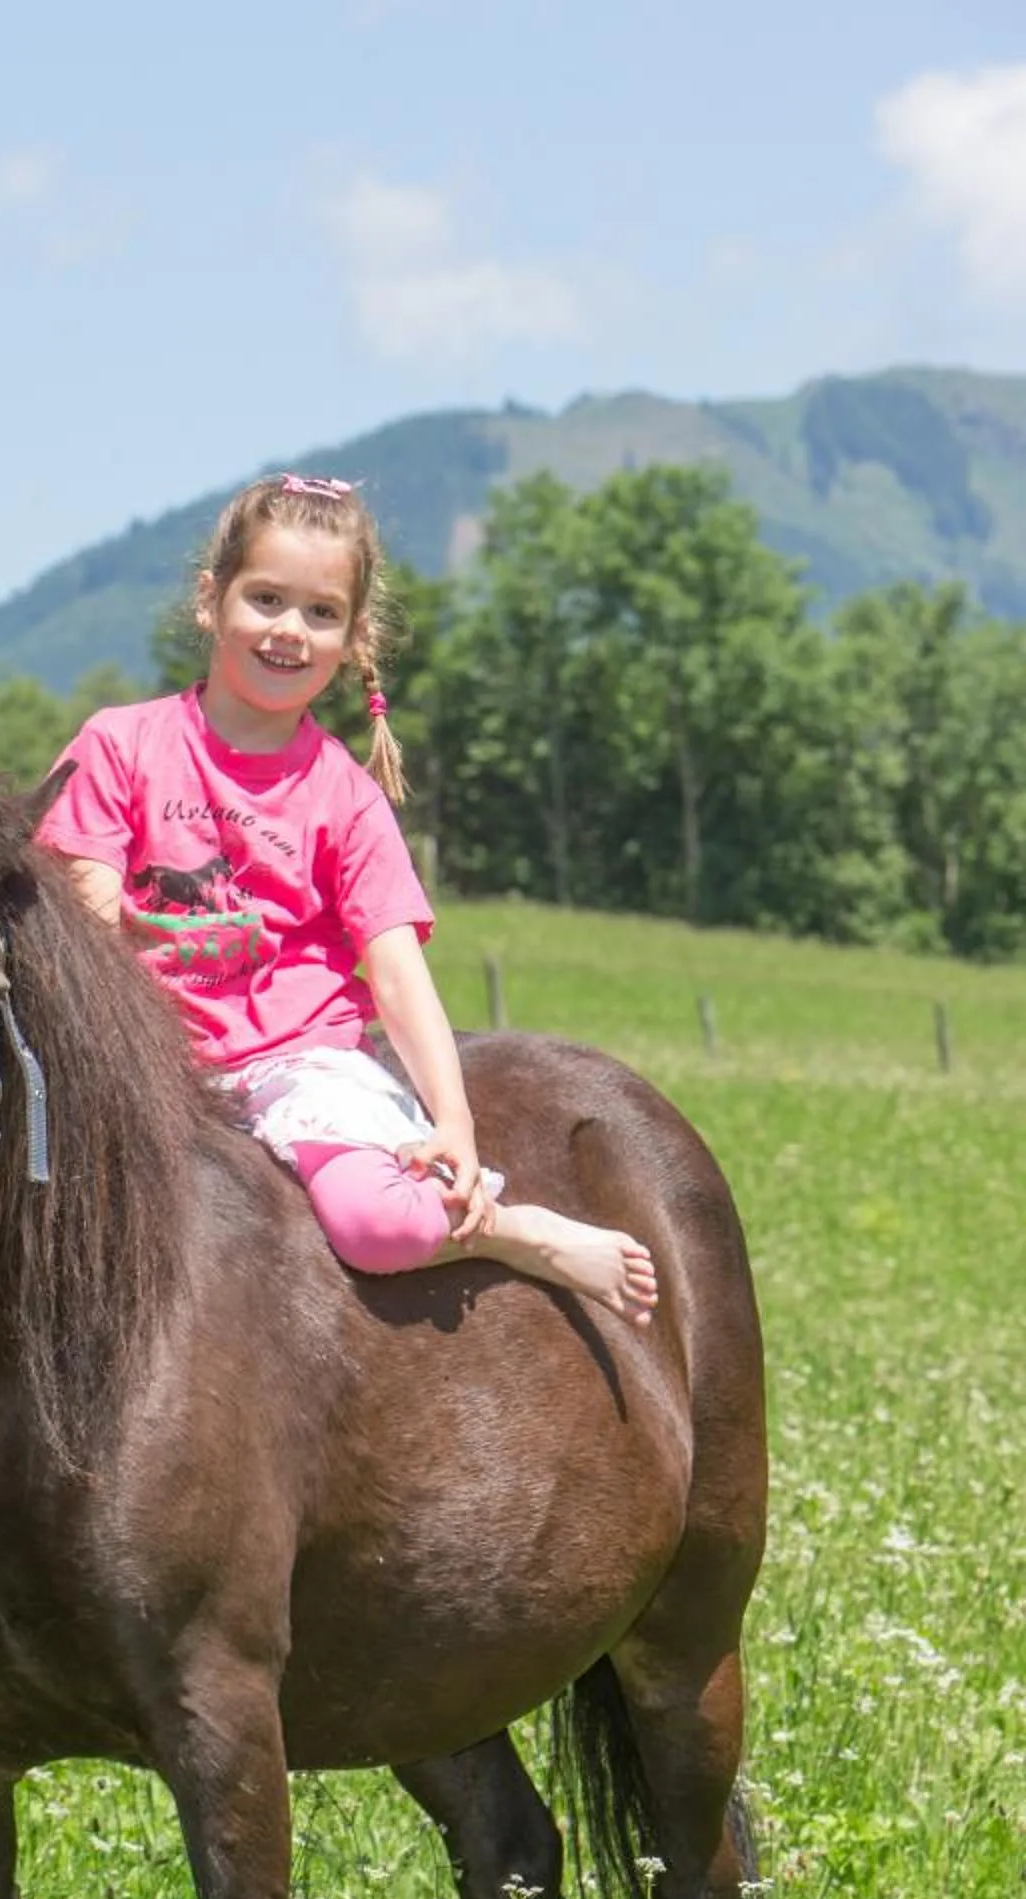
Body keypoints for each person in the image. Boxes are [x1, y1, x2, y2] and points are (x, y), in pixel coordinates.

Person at [37, 472, 659, 1323]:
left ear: (354, 636)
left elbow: (398, 977)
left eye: (321, 612)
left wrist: (455, 1125)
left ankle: (515, 1232)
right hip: (142, 1059)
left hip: (294, 1063)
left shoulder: (345, 796)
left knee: (378, 1226)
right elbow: (85, 929)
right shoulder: (122, 746)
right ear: (210, 600)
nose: (290, 630)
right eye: (265, 599)